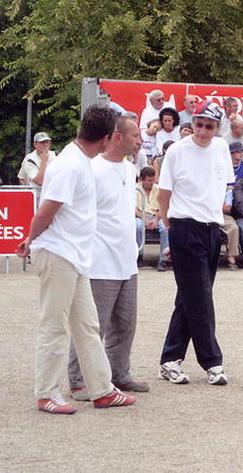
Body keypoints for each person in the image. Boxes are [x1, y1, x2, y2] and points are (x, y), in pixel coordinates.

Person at [17, 105, 137, 414]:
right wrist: (31, 239)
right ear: (108, 137)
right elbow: (46, 210)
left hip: (75, 257)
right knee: (54, 325)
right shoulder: (70, 165)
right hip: (59, 254)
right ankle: (46, 393)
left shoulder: (80, 160)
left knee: (87, 325)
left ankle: (101, 389)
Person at [67, 113, 149, 400]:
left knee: (126, 323)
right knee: (93, 325)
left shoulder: (129, 169)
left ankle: (119, 373)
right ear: (118, 137)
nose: (140, 141)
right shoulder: (93, 169)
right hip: (100, 261)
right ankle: (78, 380)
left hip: (127, 260)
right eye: (135, 135)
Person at [156, 100, 232, 386]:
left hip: (212, 228)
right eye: (198, 124)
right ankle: (212, 361)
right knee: (201, 297)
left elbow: (223, 183)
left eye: (209, 126)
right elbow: (164, 193)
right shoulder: (177, 151)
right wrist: (169, 226)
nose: (202, 131)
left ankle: (170, 359)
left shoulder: (222, 148)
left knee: (191, 296)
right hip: (184, 227)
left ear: (217, 128)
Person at [135, 166, 170, 269]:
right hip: (141, 216)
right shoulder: (136, 189)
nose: (152, 182)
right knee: (137, 227)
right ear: (142, 180)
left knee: (165, 228)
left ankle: (163, 260)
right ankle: (139, 255)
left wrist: (156, 219)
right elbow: (134, 209)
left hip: (157, 216)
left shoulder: (158, 189)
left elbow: (163, 206)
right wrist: (145, 220)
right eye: (149, 180)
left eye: (153, 180)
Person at [17, 132, 56, 198]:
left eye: (47, 142)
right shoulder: (30, 160)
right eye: (42, 142)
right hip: (37, 196)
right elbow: (40, 182)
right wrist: (44, 161)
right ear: (35, 144)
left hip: (54, 193)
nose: (45, 145)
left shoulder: (56, 155)